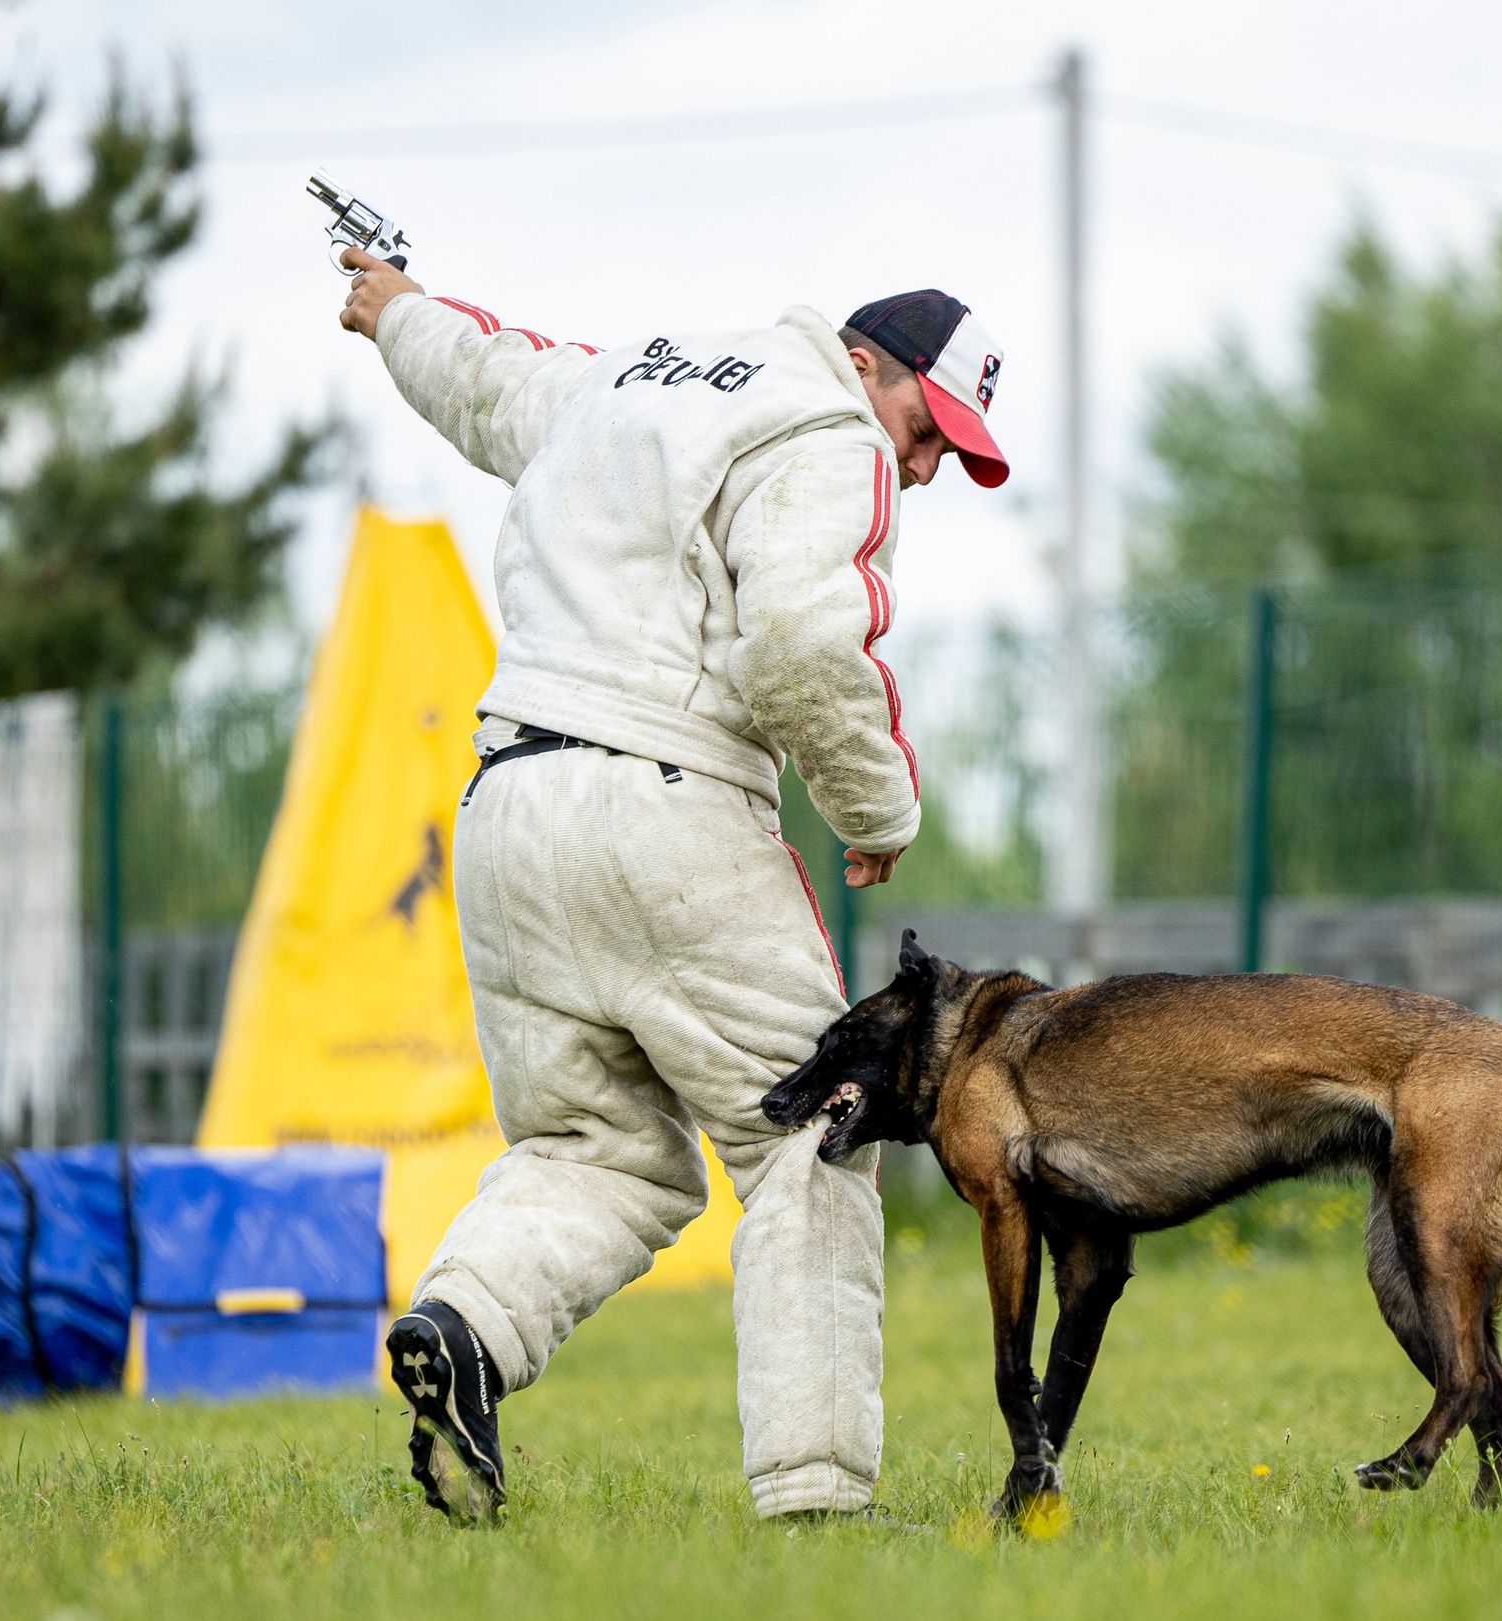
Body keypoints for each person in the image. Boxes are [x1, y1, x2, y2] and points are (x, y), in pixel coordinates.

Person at [335, 250, 1011, 1522]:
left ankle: (466, 1327)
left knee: (593, 1148)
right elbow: (799, 636)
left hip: (508, 801)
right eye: (928, 430)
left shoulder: (620, 383)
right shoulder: (828, 425)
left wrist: (394, 312)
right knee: (817, 1129)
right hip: (665, 803)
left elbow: (484, 379)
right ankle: (816, 1498)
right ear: (863, 364)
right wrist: (874, 808)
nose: (922, 467)